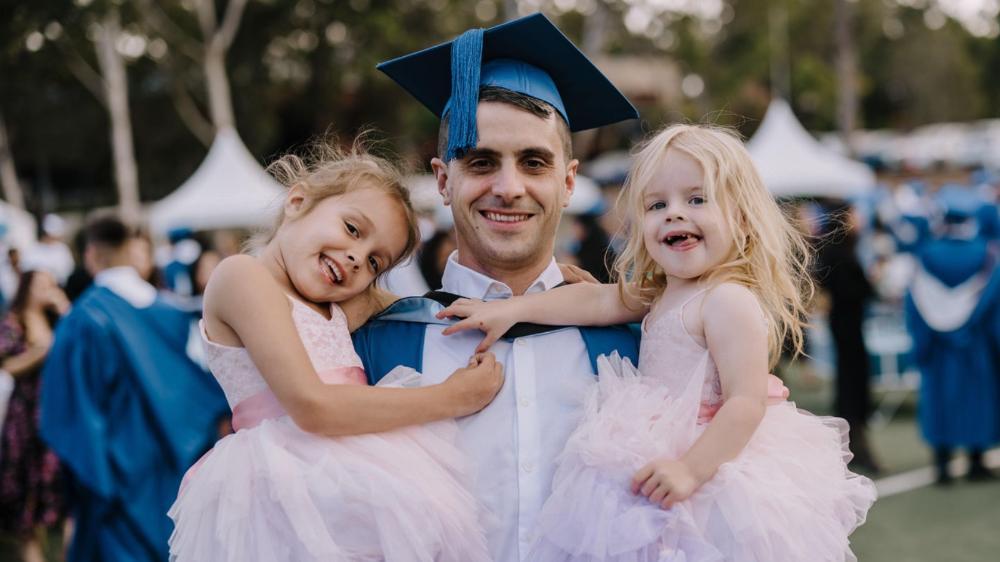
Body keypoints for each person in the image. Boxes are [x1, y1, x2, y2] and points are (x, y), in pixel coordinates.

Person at [439, 124, 877, 561]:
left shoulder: (726, 299)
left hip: (709, 466)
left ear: (742, 218)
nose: (674, 213)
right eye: (657, 204)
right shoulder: (663, 291)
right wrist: (513, 309)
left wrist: (690, 469)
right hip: (651, 449)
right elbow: (596, 300)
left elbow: (745, 402)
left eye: (697, 199)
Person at [353, 13, 666, 560]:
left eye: (533, 162)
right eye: (481, 162)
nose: (508, 187)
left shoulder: (638, 344)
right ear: (443, 179)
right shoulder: (378, 343)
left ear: (567, 182)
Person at [167, 141, 502, 561]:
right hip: (282, 489)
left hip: (352, 481)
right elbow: (312, 406)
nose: (357, 257)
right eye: (352, 229)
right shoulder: (243, 276)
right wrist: (451, 397)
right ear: (297, 201)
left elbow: (430, 306)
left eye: (376, 263)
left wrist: (532, 296)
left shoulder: (336, 301)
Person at [38, 216, 229, 562]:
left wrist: (95, 482)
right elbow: (208, 389)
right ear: (133, 252)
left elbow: (69, 412)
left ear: (91, 254)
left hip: (117, 471)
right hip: (179, 460)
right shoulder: (174, 313)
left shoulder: (83, 320)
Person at [0, 269, 70, 562]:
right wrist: (40, 352)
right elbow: (7, 366)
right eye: (41, 284)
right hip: (25, 416)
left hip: (55, 414)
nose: (46, 290)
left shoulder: (60, 321)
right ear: (26, 288)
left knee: (60, 490)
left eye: (51, 284)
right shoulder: (13, 322)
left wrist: (65, 309)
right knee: (24, 493)